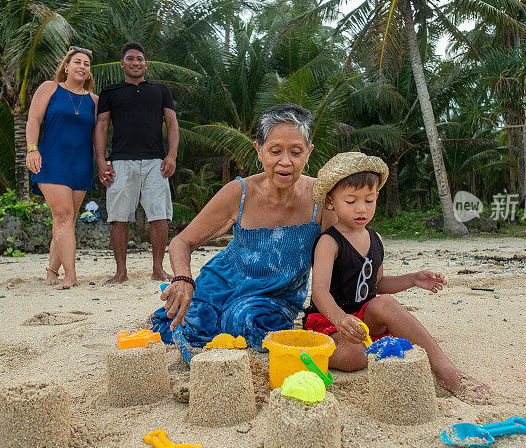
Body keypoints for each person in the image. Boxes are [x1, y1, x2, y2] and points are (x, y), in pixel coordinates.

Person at [305, 151, 490, 399]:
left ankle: (445, 369)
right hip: (329, 319)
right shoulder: (329, 241)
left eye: (369, 200)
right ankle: (310, 349)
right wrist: (339, 319)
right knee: (354, 356)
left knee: (385, 304)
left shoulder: (375, 239)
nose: (361, 209)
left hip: (364, 316)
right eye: (351, 201)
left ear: (377, 197)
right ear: (331, 201)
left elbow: (378, 284)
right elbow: (319, 291)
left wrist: (412, 279)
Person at [150, 104, 332, 349]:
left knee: (245, 323)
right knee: (186, 323)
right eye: (275, 151)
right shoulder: (240, 192)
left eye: (296, 152)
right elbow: (182, 242)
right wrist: (183, 279)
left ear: (308, 153)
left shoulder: (322, 199)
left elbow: (340, 253)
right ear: (259, 151)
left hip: (277, 296)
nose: (285, 162)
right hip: (222, 283)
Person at [95, 42, 179, 283]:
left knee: (159, 216)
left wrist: (171, 155)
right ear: (122, 64)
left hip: (156, 161)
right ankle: (121, 272)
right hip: (120, 162)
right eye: (130, 58)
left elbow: (172, 124)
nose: (135, 62)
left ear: (145, 63)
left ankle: (158, 270)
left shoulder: (160, 90)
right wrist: (102, 160)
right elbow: (101, 126)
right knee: (119, 217)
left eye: (139, 59)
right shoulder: (111, 92)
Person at [26, 46, 98, 289]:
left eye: (86, 64)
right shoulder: (50, 88)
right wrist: (32, 149)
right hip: (52, 161)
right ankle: (71, 275)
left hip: (82, 164)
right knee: (62, 216)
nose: (82, 66)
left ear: (89, 71)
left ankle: (51, 272)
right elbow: (33, 119)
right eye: (77, 61)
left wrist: (103, 163)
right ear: (66, 66)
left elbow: (99, 136)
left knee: (67, 220)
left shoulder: (94, 101)